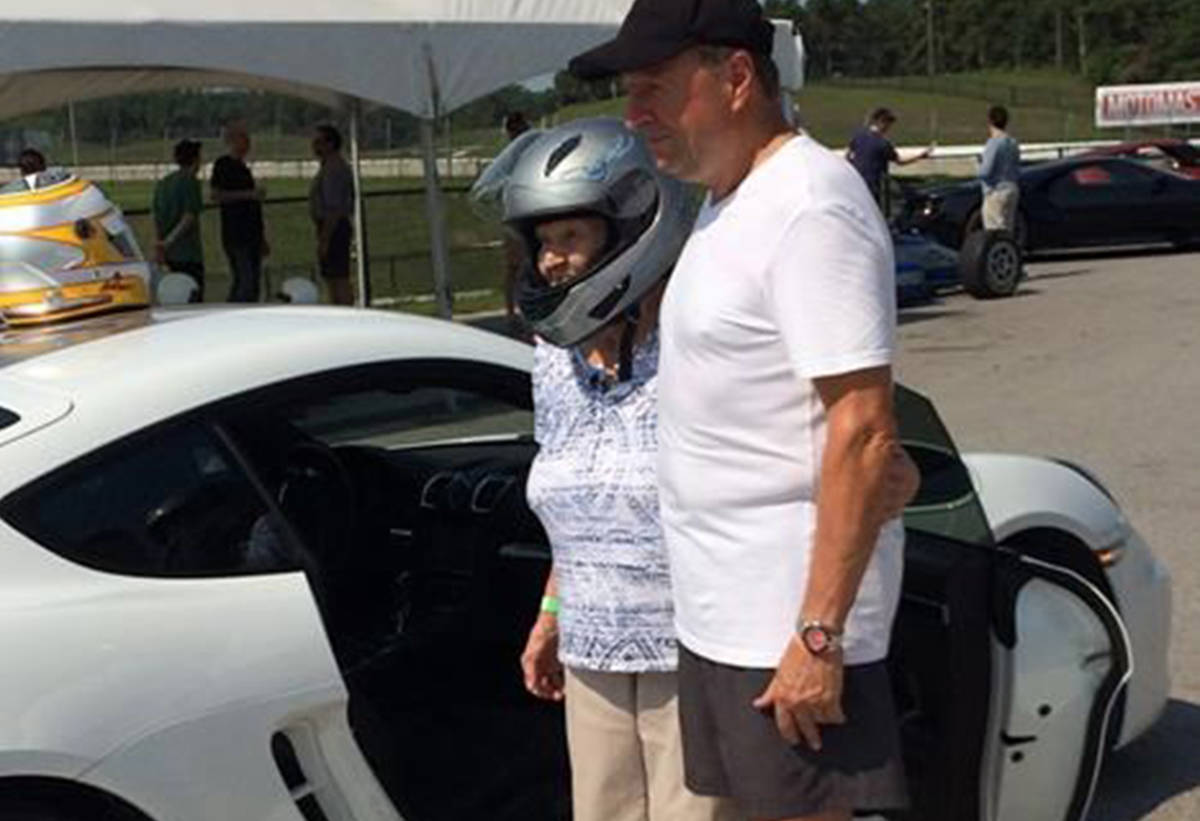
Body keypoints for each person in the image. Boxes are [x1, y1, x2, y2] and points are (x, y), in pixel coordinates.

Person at [570, 1, 919, 820]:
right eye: (628, 90)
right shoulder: (733, 202)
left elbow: (863, 427)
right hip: (726, 621)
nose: (633, 112)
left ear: (734, 78)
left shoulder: (811, 206)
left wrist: (818, 636)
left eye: (654, 85)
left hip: (786, 630)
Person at [487, 117, 735, 821]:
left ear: (627, 232)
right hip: (593, 648)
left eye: (570, 237)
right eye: (543, 243)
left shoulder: (692, 353)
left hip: (689, 647)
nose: (551, 261)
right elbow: (576, 508)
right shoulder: (553, 364)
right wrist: (551, 614)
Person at [210, 121, 268, 302]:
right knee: (245, 280)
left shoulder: (244, 168)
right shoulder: (223, 165)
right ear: (232, 141)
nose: (248, 142)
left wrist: (262, 237)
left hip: (253, 234)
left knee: (253, 281)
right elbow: (216, 195)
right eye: (243, 138)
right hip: (236, 234)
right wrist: (249, 194)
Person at [846, 108, 933, 208]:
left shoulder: (858, 135)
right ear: (881, 122)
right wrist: (921, 156)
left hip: (855, 184)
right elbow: (899, 161)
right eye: (888, 124)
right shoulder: (883, 143)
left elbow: (848, 155)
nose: (888, 128)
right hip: (874, 186)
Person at [152, 139, 205, 299]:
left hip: (168, 255)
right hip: (188, 253)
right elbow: (189, 216)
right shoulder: (190, 182)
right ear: (195, 159)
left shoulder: (163, 184)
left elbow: (156, 215)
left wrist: (160, 244)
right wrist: (170, 240)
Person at [309, 124, 356, 305]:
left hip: (333, 227)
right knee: (333, 275)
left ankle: (344, 308)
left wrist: (325, 239)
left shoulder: (333, 169)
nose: (314, 146)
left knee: (338, 277)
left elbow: (333, 207)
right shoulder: (330, 166)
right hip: (332, 226)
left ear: (330, 144)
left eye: (318, 142)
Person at [979, 105, 1021, 232]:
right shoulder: (1012, 142)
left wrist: (979, 166)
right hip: (1012, 188)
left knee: (994, 230)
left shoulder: (994, 143)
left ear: (990, 121)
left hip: (996, 191)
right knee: (1008, 228)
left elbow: (985, 171)